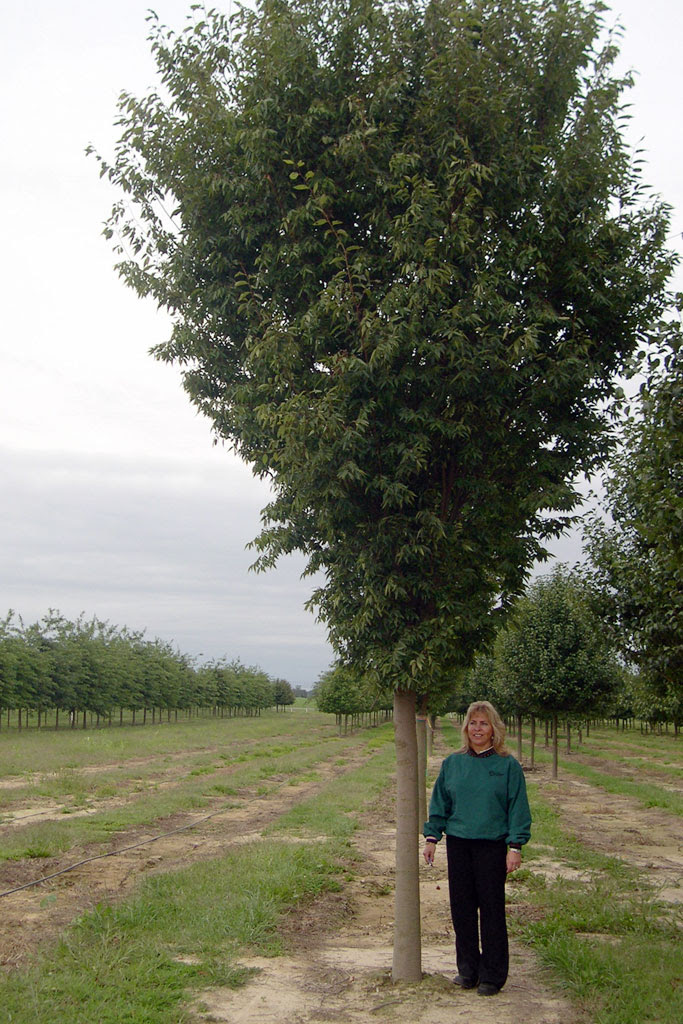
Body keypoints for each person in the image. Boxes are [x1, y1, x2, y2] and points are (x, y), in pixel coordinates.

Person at [423, 700, 531, 997]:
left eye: (484, 723)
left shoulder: (507, 766)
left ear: (494, 729)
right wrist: (432, 838)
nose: (478, 729)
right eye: (473, 723)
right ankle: (468, 970)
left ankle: (492, 975)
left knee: (492, 910)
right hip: (459, 843)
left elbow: (518, 807)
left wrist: (515, 846)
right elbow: (440, 803)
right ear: (466, 728)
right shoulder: (453, 763)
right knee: (462, 909)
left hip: (492, 845)